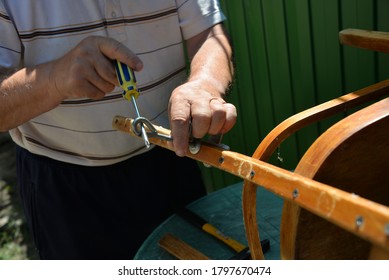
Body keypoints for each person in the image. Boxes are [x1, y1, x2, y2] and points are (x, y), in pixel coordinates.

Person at [0, 0, 236, 259]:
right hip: (65, 188)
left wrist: (205, 84)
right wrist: (55, 79)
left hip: (170, 161)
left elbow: (209, 33)